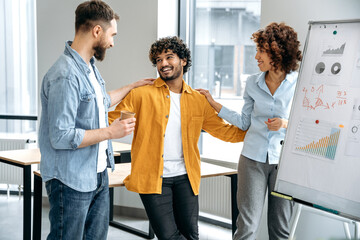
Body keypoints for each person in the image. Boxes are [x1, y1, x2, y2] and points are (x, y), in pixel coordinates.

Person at [108, 36, 246, 240]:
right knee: (169, 236)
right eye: (158, 60)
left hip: (186, 178)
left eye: (169, 57)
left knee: (191, 235)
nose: (163, 63)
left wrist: (257, 132)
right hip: (153, 178)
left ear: (183, 60)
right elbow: (111, 121)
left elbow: (225, 131)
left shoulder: (198, 100)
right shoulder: (141, 94)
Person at [38, 1, 154, 239]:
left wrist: (131, 87)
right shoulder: (65, 75)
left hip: (97, 174)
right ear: (97, 31)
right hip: (70, 181)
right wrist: (112, 132)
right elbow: (61, 136)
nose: (112, 42)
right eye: (112, 35)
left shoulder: (88, 68)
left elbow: (98, 101)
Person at [197, 22, 302, 240]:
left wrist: (284, 124)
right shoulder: (252, 83)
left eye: (261, 51)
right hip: (252, 159)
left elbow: (309, 124)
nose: (256, 56)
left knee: (280, 229)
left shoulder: (299, 83)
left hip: (285, 163)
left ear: (277, 51)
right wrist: (214, 104)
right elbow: (244, 122)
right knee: (247, 227)